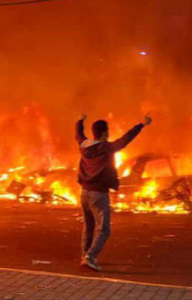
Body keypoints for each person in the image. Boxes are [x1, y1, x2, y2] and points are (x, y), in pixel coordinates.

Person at [76, 112, 152, 272]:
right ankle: (90, 257)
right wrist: (142, 124)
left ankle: (85, 255)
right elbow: (125, 139)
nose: (109, 133)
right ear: (104, 133)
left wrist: (81, 121)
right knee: (104, 229)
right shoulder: (106, 147)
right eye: (108, 130)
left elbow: (78, 134)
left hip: (84, 192)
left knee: (89, 226)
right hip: (99, 194)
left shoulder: (83, 145)